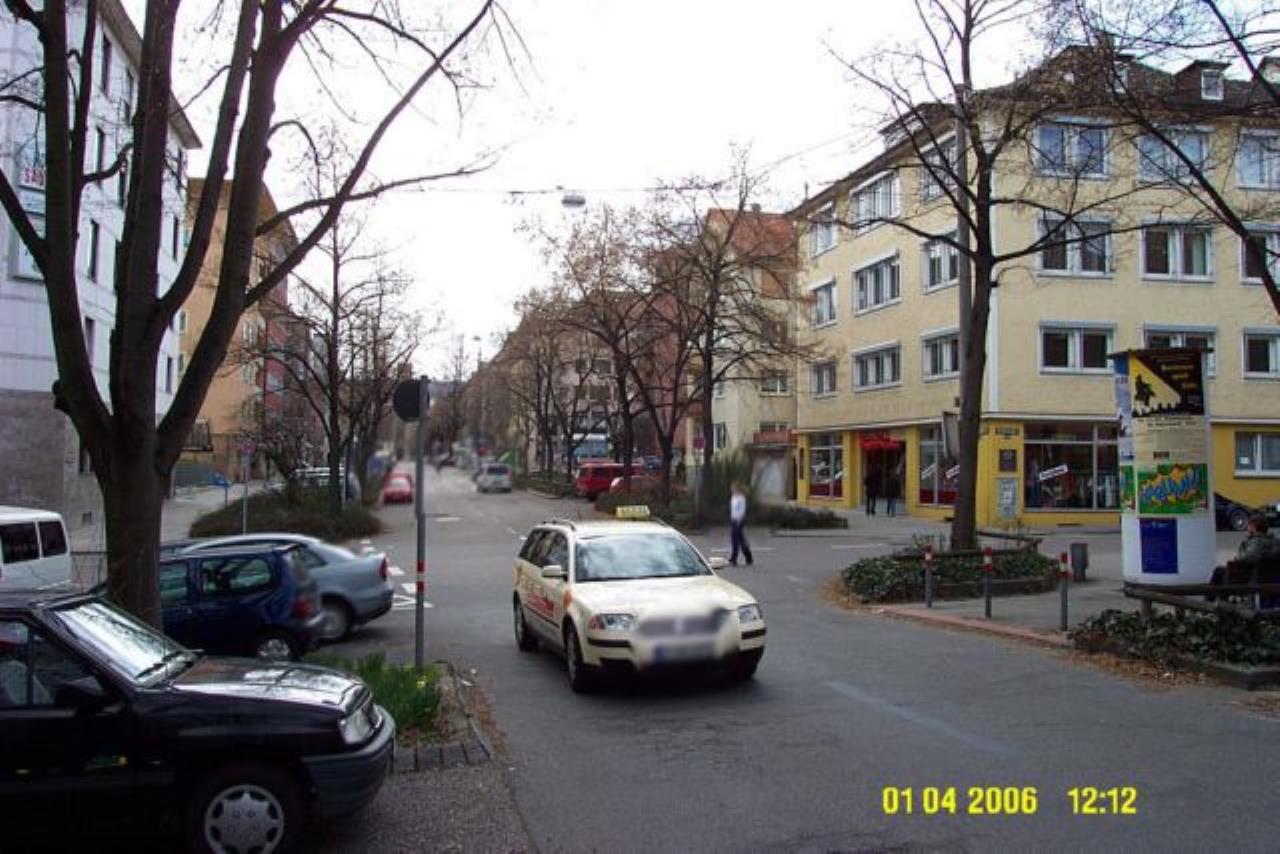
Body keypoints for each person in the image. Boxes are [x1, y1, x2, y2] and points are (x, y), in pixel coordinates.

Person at [729, 481, 753, 567]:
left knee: (735, 540)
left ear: (737, 489)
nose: (731, 489)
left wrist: (739, 520)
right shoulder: (733, 497)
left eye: (733, 488)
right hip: (733, 520)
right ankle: (748, 557)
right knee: (741, 539)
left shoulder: (741, 498)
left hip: (738, 521)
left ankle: (734, 558)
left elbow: (742, 510)